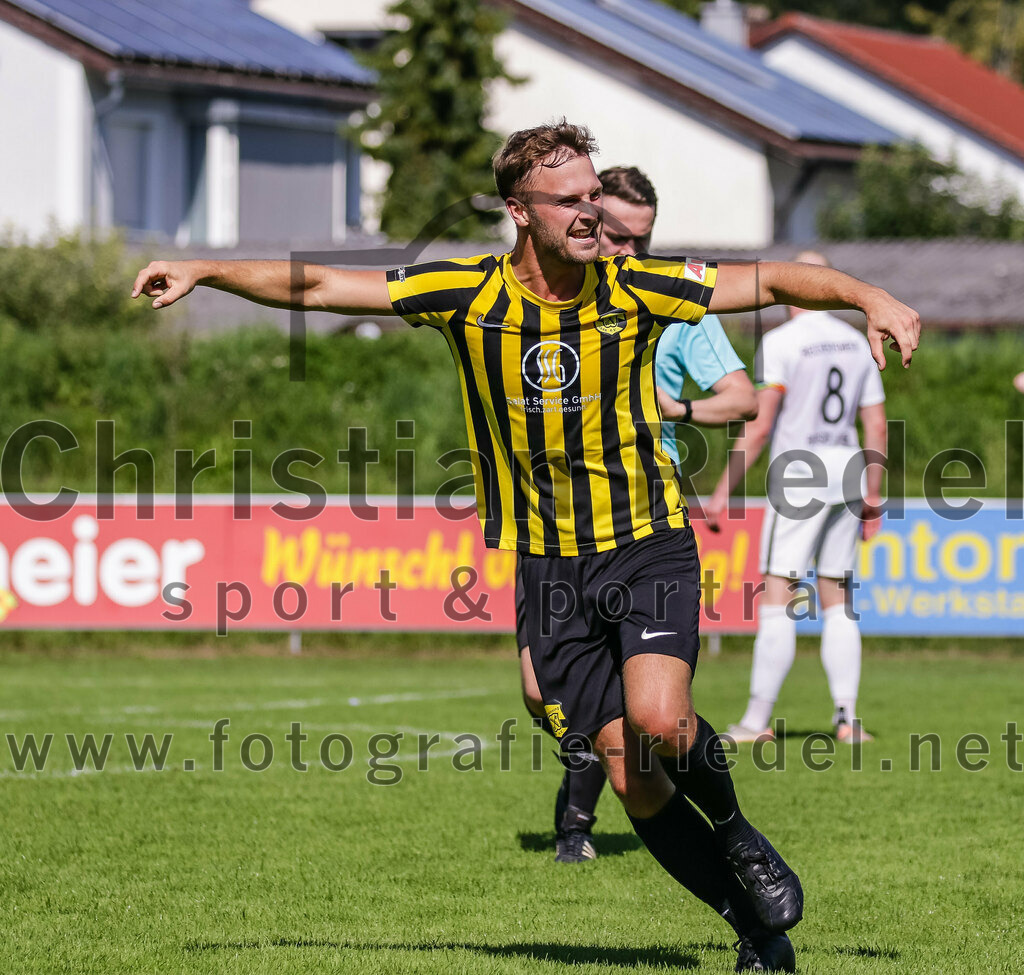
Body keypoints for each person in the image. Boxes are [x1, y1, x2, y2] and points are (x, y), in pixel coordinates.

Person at [133, 121, 920, 973]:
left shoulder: (639, 285)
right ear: (519, 210)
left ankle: (738, 833)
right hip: (547, 565)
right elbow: (321, 284)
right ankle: (754, 932)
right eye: (572, 200)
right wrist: (207, 267)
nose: (593, 213)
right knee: (628, 775)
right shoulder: (464, 291)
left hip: (646, 542)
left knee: (661, 720)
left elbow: (771, 277)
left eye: (596, 197)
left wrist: (864, 294)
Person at [516, 165, 758, 864]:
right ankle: (598, 815)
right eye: (618, 235)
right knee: (544, 691)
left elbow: (742, 398)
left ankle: (583, 825)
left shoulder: (674, 306)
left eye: (642, 240)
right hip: (556, 518)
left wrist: (674, 407)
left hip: (644, 516)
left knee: (644, 703)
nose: (628, 251)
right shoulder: (551, 298)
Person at [704, 251, 888, 745]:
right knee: (837, 597)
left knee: (778, 594)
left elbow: (760, 424)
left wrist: (723, 492)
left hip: (801, 473)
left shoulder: (782, 342)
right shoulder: (854, 342)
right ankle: (848, 719)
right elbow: (875, 422)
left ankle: (755, 720)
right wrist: (873, 489)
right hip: (848, 469)